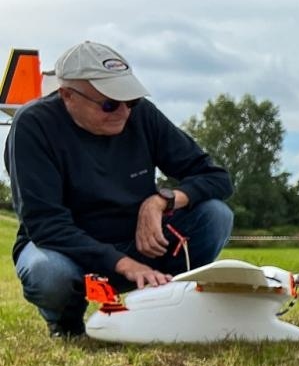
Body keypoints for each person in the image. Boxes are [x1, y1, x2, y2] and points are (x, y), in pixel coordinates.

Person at [4, 40, 234, 336]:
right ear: (67, 96)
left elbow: (216, 177)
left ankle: (170, 304)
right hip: (68, 251)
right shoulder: (33, 126)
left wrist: (160, 201)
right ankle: (66, 322)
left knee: (216, 215)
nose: (124, 112)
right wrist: (124, 265)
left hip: (139, 242)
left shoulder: (142, 116)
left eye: (131, 100)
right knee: (48, 273)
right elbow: (46, 225)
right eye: (110, 103)